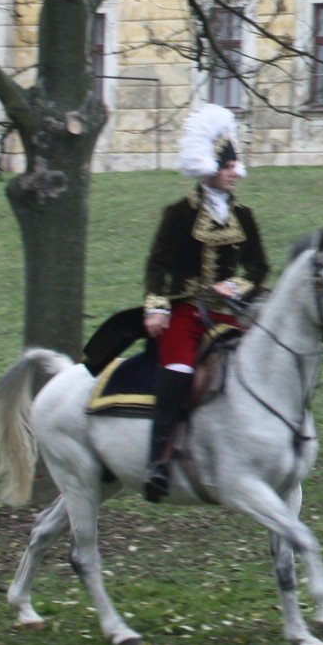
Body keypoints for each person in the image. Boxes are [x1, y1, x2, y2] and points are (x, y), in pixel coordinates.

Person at [140, 102, 268, 501]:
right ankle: (158, 461)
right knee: (179, 371)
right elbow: (157, 265)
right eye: (227, 166)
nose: (234, 172)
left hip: (226, 316)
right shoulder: (179, 213)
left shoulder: (244, 215)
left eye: (234, 166)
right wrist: (156, 307)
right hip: (184, 313)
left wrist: (237, 287)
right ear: (210, 168)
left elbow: (259, 267)